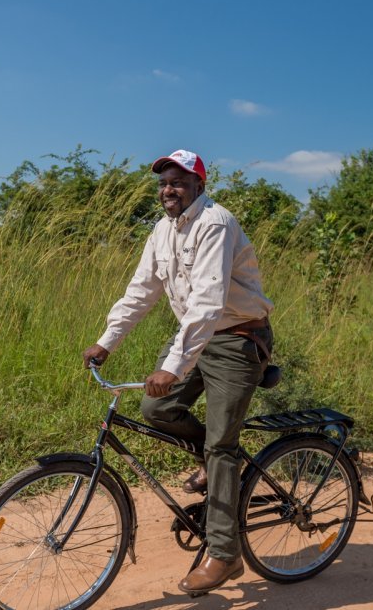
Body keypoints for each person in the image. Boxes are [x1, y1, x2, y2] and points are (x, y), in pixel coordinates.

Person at [82, 149, 274, 595]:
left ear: (199, 187)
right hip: (197, 335)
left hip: (238, 337)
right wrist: (107, 340)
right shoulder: (162, 231)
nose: (169, 190)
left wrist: (171, 365)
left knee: (223, 444)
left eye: (180, 182)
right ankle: (211, 461)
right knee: (157, 406)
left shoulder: (215, 223)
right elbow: (141, 292)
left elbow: (208, 303)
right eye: (165, 182)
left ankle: (225, 555)